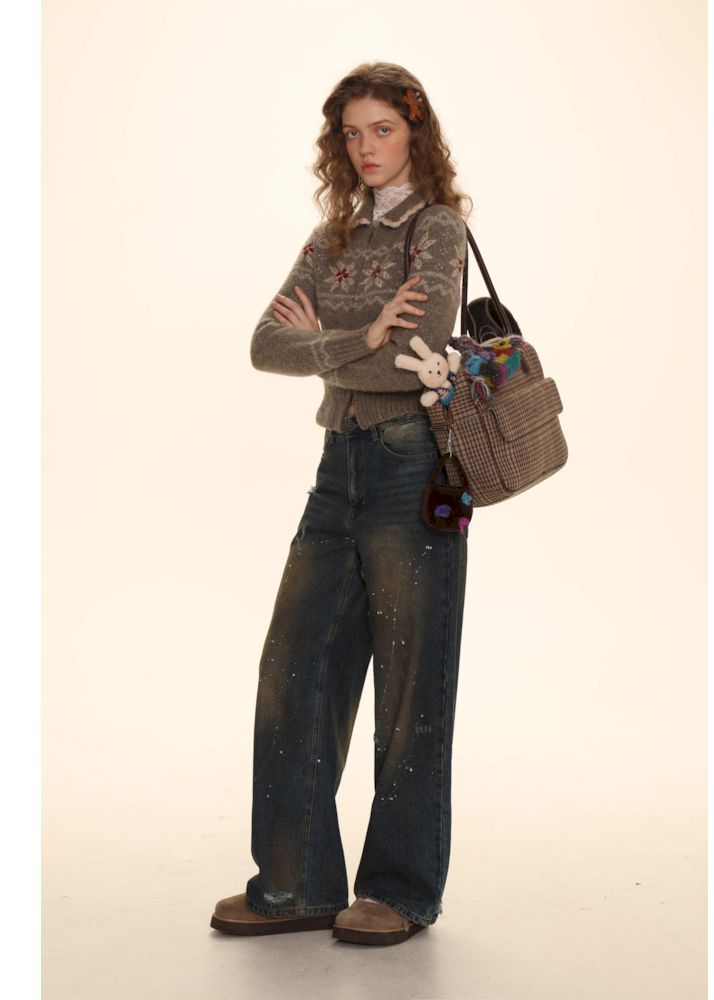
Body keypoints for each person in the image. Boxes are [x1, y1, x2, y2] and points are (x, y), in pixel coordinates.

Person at [211, 62, 472, 947]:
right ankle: (295, 885)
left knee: (410, 685)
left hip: (414, 467)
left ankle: (400, 890)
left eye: (382, 130)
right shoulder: (330, 239)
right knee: (293, 669)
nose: (365, 147)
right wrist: (363, 333)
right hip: (338, 469)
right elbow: (263, 344)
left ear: (415, 133)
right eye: (352, 133)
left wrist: (326, 343)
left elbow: (420, 351)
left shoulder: (436, 229)